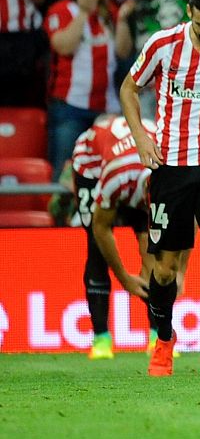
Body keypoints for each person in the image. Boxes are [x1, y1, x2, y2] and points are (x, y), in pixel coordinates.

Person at [118, 0, 200, 376]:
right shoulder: (163, 44)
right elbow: (129, 89)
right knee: (165, 268)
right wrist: (140, 137)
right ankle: (164, 340)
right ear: (189, 12)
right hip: (170, 167)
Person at [70, 114, 153, 360]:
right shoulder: (115, 178)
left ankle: (158, 336)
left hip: (136, 165)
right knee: (96, 246)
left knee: (153, 249)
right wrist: (125, 278)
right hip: (94, 168)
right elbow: (101, 230)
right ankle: (101, 339)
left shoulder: (172, 168)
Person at [46, 0, 117, 175]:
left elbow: (123, 53)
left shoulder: (108, 12)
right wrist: (84, 12)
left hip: (105, 111)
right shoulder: (61, 10)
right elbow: (63, 46)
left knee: (103, 174)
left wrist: (122, 20)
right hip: (70, 109)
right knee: (64, 175)